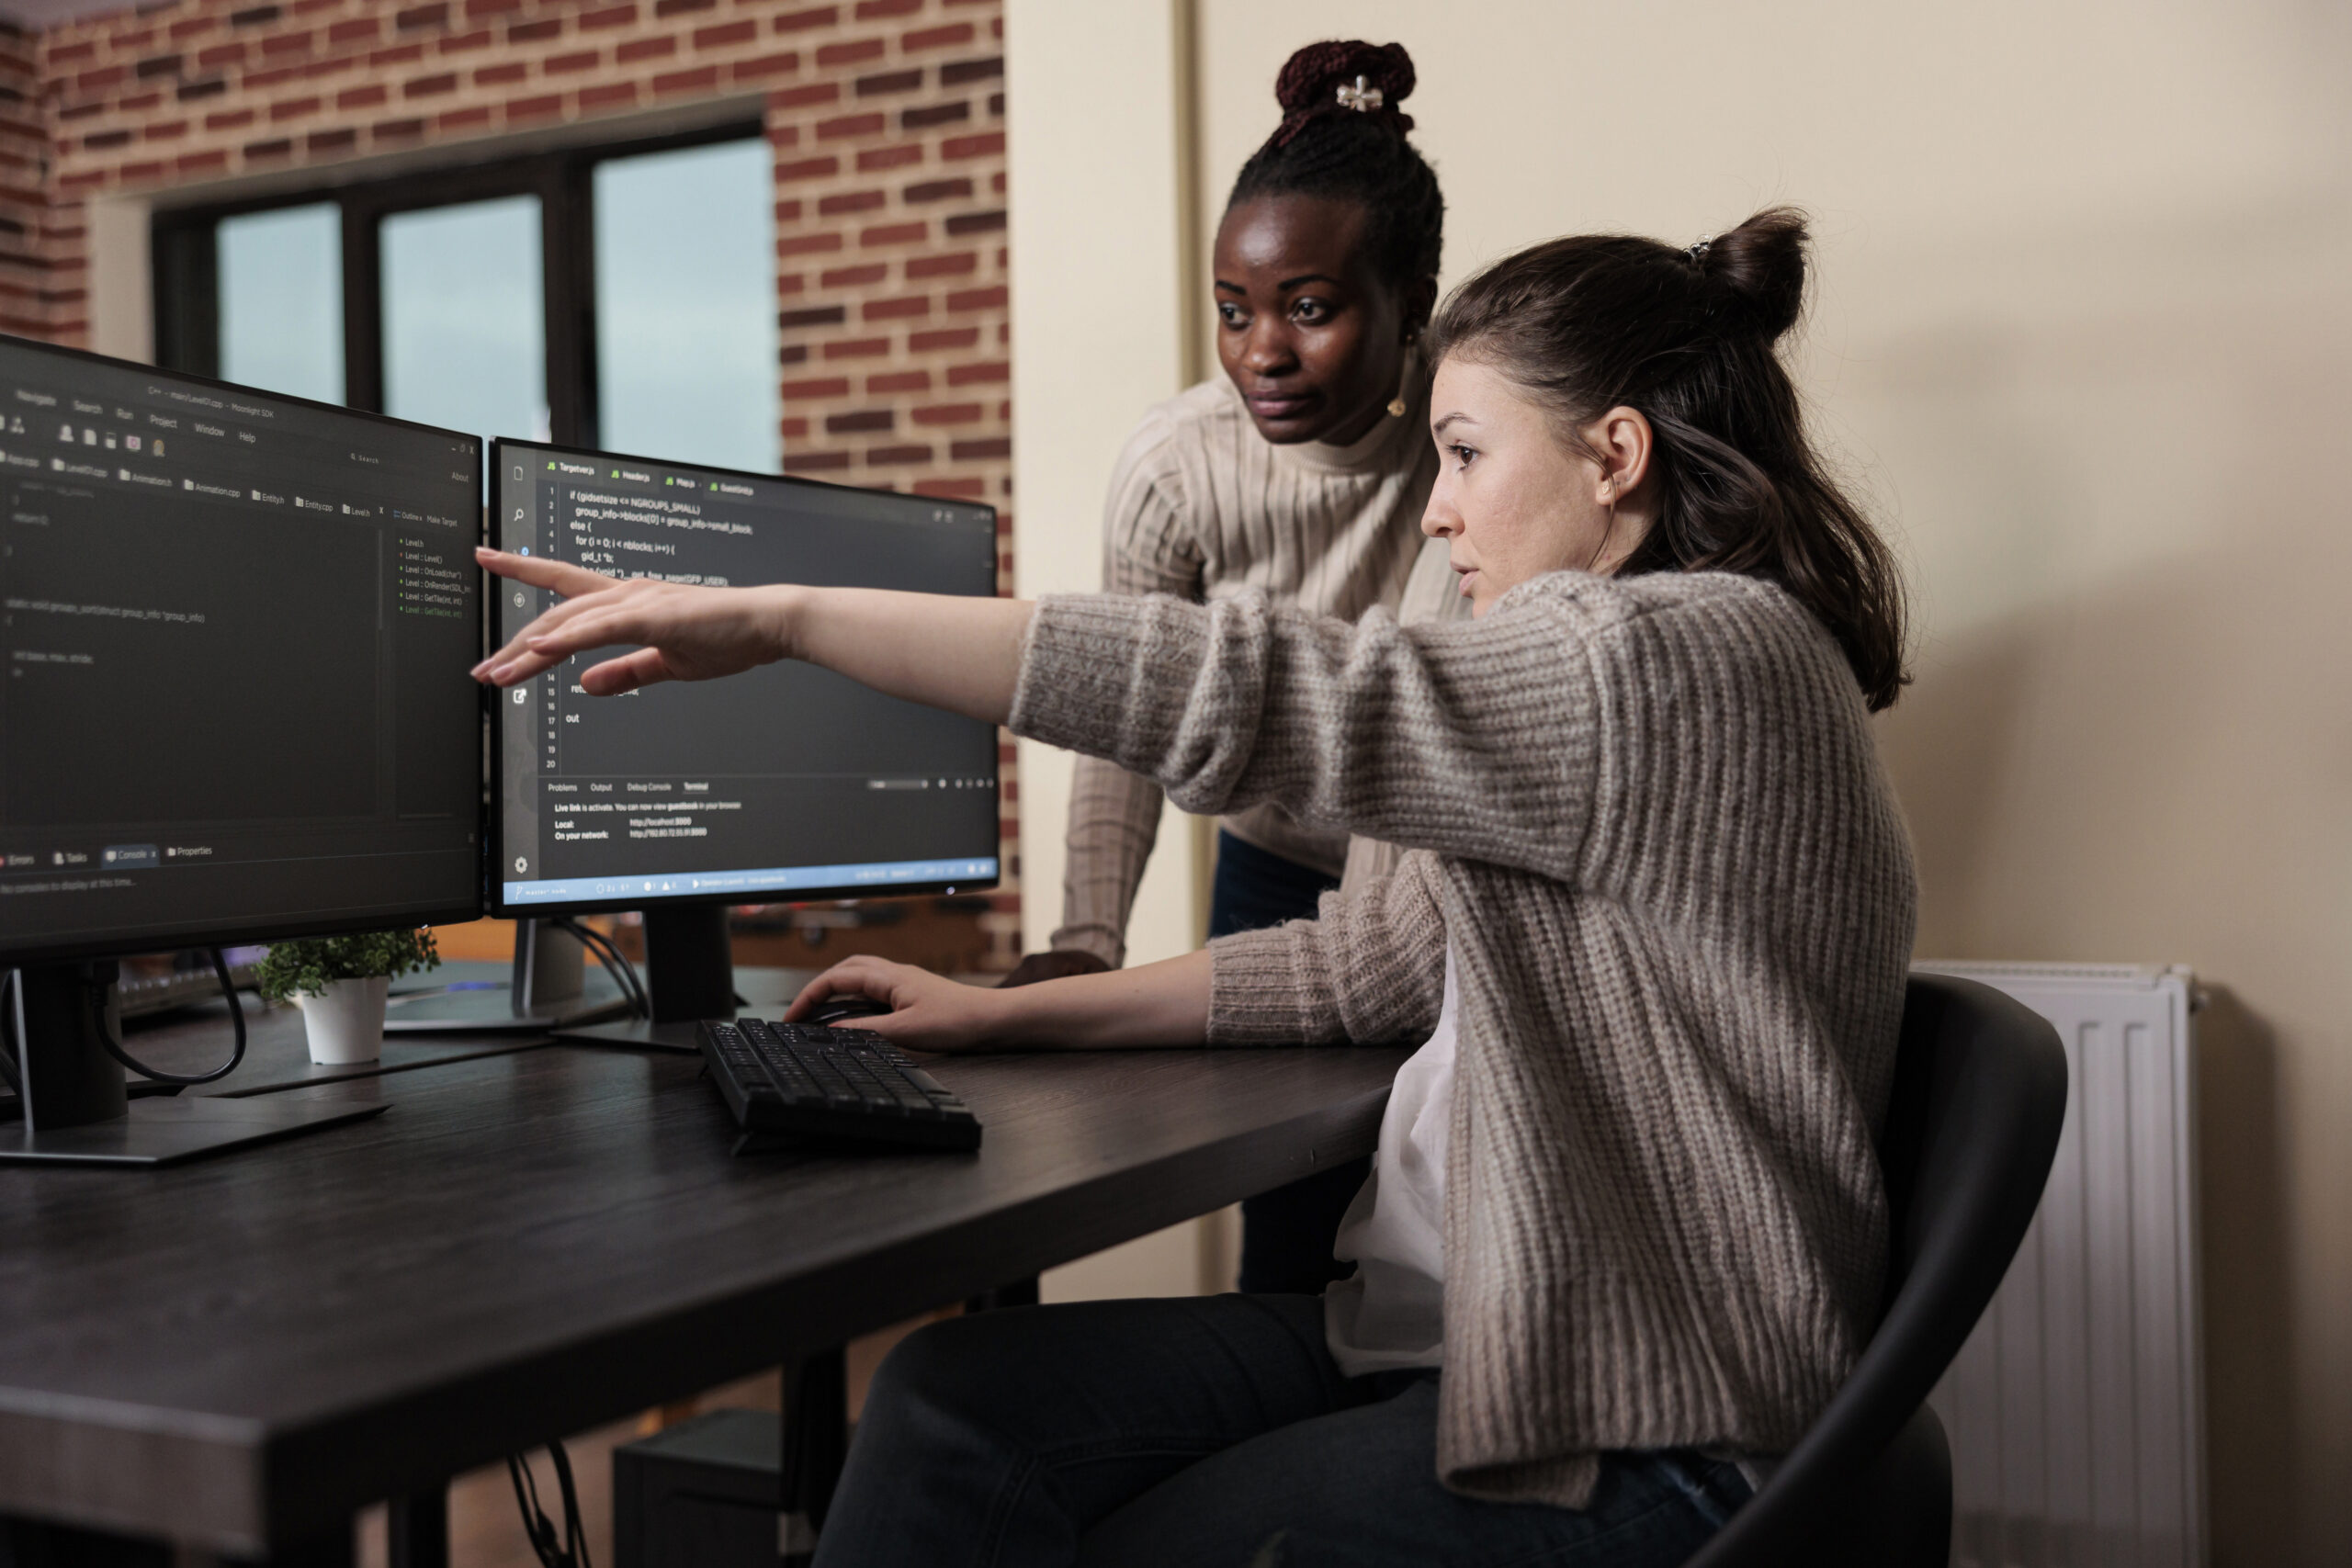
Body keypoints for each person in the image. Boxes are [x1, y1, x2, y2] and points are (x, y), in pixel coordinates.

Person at [474, 207, 1916, 1566]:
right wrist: (1003, 1016)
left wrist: (787, 618)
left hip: (1640, 1422)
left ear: (1614, 456)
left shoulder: (1691, 660)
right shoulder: (1618, 690)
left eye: (1467, 456)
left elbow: (1251, 686)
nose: (1437, 517)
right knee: (951, 1403)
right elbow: (1372, 967)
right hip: (1444, 1340)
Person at [1001, 39, 1462, 1296]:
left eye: (1309, 308)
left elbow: (1439, 711)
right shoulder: (1176, 466)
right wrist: (1086, 941)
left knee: (1440, 1212)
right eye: (1234, 309)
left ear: (1412, 302)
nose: (1262, 349)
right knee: (1292, 1236)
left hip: (1439, 880)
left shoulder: (1467, 449)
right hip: (1269, 872)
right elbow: (1123, 717)